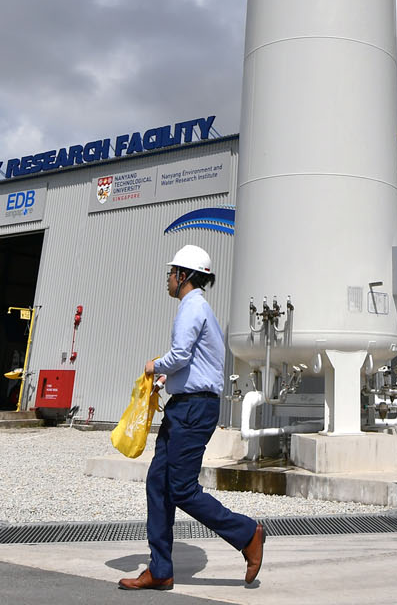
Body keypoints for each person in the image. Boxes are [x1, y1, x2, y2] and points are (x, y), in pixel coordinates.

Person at [119, 245, 265, 591]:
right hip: (187, 404)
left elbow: (181, 353)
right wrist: (170, 379)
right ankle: (160, 569)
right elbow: (197, 363)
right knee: (158, 482)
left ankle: (247, 533)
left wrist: (155, 366)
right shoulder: (200, 308)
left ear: (184, 276)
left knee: (181, 489)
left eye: (171, 273)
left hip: (193, 409)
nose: (167, 279)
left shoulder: (192, 307)